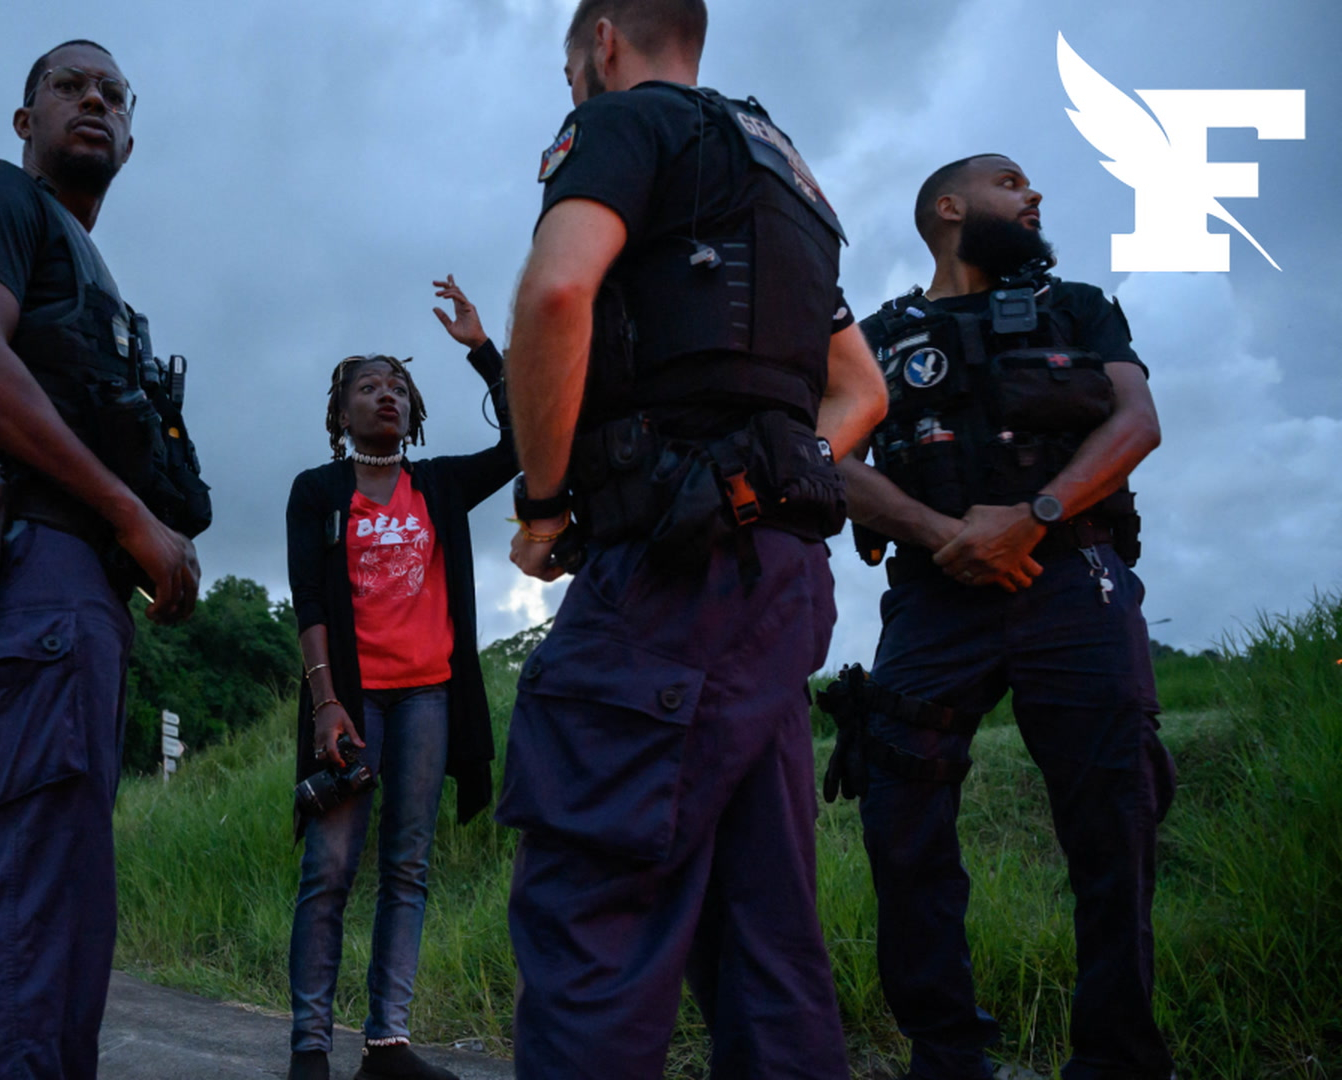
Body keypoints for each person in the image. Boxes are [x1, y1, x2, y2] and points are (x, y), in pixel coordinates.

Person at [491, 1, 889, 1077]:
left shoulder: (629, 122)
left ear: (606, 41)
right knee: (765, 937)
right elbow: (860, 390)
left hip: (666, 586)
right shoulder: (785, 178)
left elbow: (560, 288)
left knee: (594, 918)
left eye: (572, 67)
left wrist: (543, 502)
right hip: (777, 589)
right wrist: (756, 483)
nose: (573, 85)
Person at [0, 38, 207, 1079]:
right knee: (28, 915)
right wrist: (130, 517)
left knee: (68, 921)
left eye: (115, 93)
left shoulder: (101, 282)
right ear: (23, 118)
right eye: (69, 85)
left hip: (70, 598)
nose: (95, 101)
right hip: (23, 567)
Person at [825, 153, 1172, 1080]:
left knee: (1115, 829)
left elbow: (1136, 421)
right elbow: (826, 455)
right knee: (901, 826)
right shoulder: (879, 337)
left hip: (1074, 582)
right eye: (1012, 182)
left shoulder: (1080, 307)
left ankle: (1118, 1061)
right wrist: (947, 532)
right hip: (935, 595)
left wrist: (1033, 516)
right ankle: (945, 1057)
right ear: (950, 207)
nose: (1035, 194)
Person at [283, 277, 516, 1080]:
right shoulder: (317, 492)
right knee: (330, 871)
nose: (387, 393)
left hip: (427, 699)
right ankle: (310, 1047)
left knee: (407, 868)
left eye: (399, 386)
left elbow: (526, 443)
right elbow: (309, 600)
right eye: (368, 385)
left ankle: (387, 1044)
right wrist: (325, 703)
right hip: (350, 706)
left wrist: (484, 352)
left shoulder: (441, 485)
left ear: (414, 410)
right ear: (339, 411)